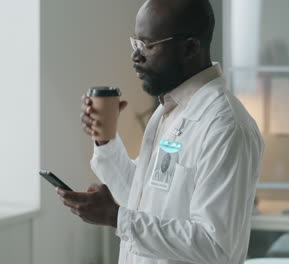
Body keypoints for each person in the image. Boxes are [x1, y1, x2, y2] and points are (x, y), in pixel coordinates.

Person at [56, 0, 264, 263]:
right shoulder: (168, 111)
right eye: (136, 43)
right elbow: (143, 197)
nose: (135, 56)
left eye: (148, 46)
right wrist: (105, 140)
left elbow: (216, 247)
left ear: (190, 47)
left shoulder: (225, 126)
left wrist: (116, 218)